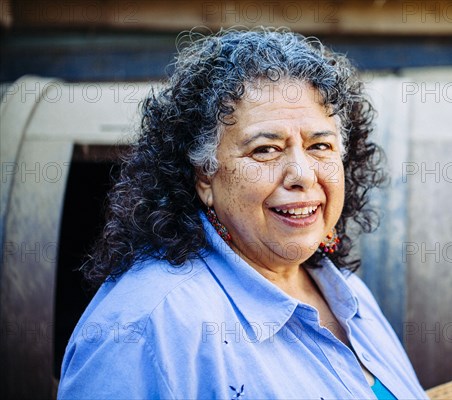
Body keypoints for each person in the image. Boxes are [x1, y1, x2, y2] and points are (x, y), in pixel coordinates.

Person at [58, 28, 428, 399]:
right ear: (204, 174)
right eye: (265, 150)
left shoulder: (347, 291)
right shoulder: (144, 327)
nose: (302, 174)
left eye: (320, 145)